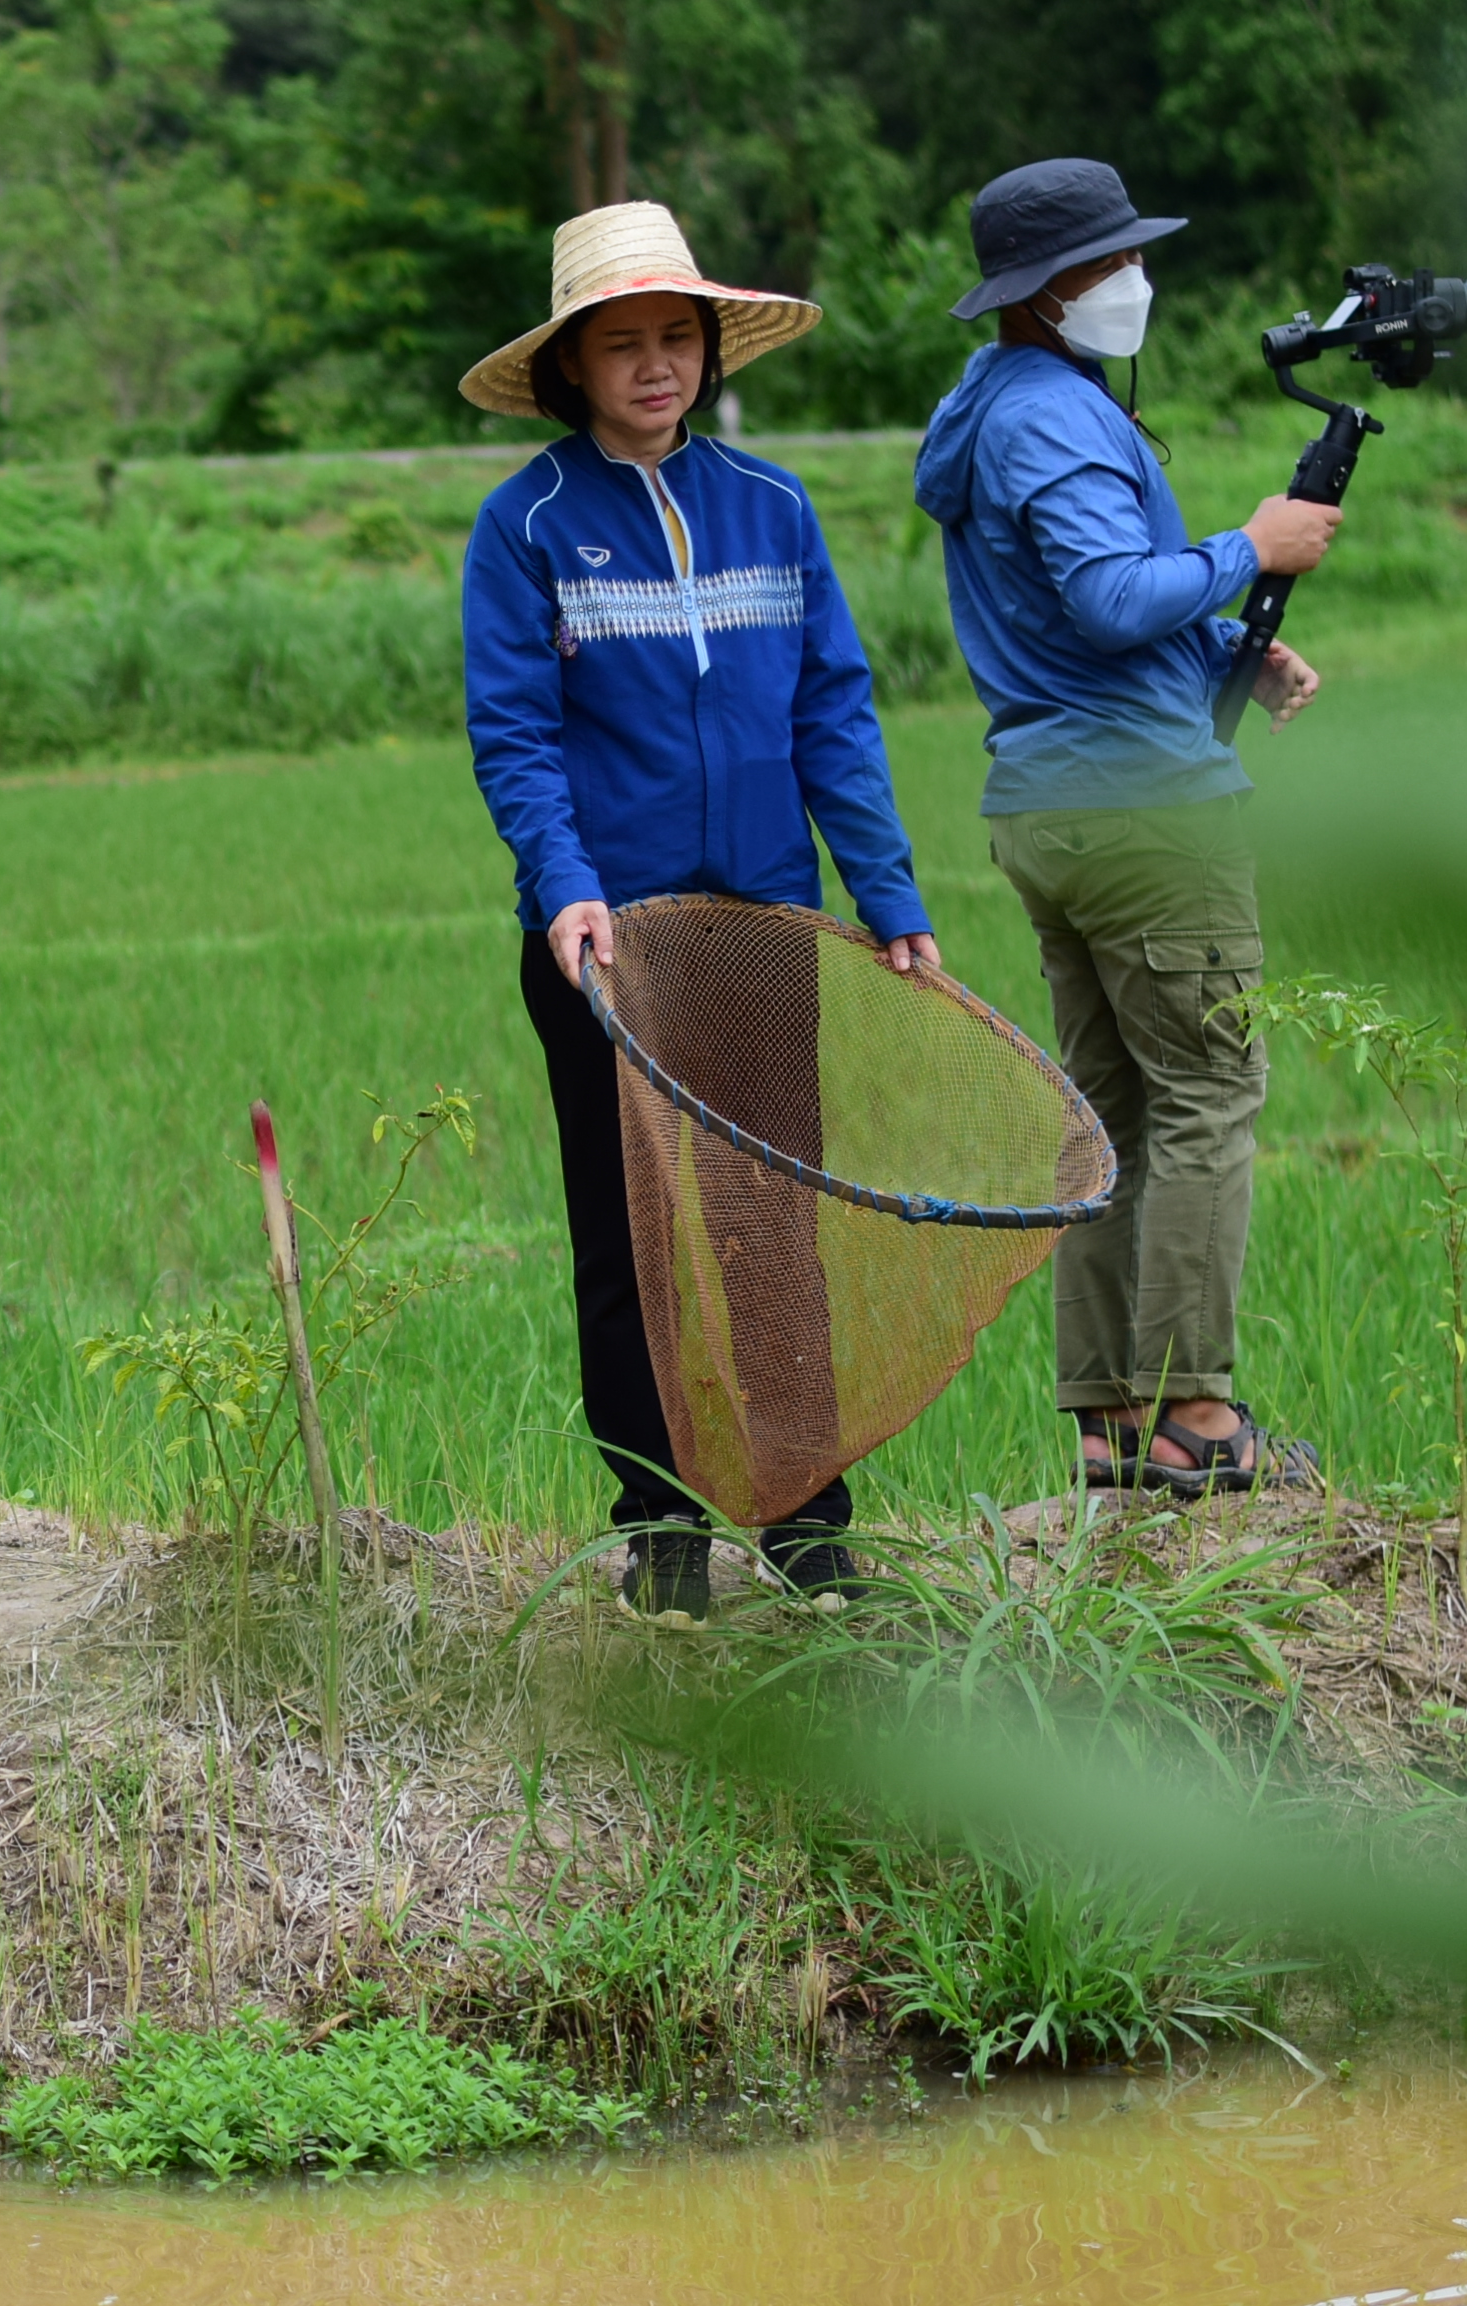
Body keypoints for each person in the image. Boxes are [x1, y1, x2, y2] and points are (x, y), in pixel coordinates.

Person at [457, 201, 941, 1619]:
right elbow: (518, 737)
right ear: (572, 368)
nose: (657, 366)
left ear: (712, 352)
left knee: (772, 1229)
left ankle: (806, 1521)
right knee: (629, 1241)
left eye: (679, 338)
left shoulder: (775, 508)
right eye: (625, 346)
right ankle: (659, 1527)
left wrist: (889, 891)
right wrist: (567, 891)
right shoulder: (529, 525)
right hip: (611, 946)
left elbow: (834, 713)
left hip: (761, 933)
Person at [918, 156, 1335, 1497]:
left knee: (1109, 1107)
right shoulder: (1054, 416)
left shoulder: (991, 404)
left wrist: (1229, 645)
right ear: (1045, 295)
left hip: (1050, 802)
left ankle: (1109, 1420)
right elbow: (1105, 599)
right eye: (1109, 267)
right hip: (1146, 811)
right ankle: (1196, 1417)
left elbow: (1069, 616)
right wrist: (1249, 550)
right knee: (1211, 1092)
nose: (1133, 283)